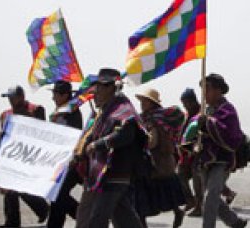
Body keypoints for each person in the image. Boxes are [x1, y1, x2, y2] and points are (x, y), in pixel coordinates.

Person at [75, 68, 147, 228]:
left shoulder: (123, 108)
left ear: (112, 88)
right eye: (97, 86)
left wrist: (98, 144)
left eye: (101, 86)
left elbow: (125, 135)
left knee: (97, 219)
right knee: (124, 219)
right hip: (100, 175)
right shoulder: (103, 112)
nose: (97, 91)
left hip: (115, 172)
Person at [193, 73, 248, 228]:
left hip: (221, 161)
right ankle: (234, 222)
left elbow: (231, 136)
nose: (204, 93)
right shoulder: (206, 111)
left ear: (219, 90)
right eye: (203, 89)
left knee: (210, 197)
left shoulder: (228, 111)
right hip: (205, 161)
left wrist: (209, 123)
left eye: (207, 89)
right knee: (211, 197)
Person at [0, 85, 49, 228]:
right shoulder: (5, 115)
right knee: (9, 190)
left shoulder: (36, 110)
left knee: (21, 188)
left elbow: (42, 131)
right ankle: (12, 222)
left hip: (30, 155)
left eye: (13, 97)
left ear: (21, 97)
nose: (11, 101)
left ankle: (42, 208)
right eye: (9, 98)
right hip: (13, 156)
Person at [132, 88, 186, 228]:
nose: (142, 104)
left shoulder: (153, 121)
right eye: (141, 101)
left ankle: (143, 224)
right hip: (164, 162)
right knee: (167, 193)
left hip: (155, 163)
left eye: (145, 101)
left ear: (151, 103)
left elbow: (152, 142)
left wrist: (139, 143)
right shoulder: (153, 118)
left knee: (143, 197)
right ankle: (177, 212)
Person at [47, 80, 83, 228]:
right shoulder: (57, 112)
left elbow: (71, 136)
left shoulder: (72, 112)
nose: (53, 97)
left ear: (65, 95)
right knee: (55, 194)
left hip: (70, 162)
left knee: (59, 193)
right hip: (58, 161)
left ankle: (83, 217)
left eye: (56, 94)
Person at [177, 88, 202, 216]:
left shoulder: (201, 113)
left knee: (198, 180)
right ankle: (190, 200)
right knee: (180, 174)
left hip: (198, 152)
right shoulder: (187, 115)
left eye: (186, 103)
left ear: (192, 101)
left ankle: (199, 205)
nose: (185, 106)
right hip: (185, 153)